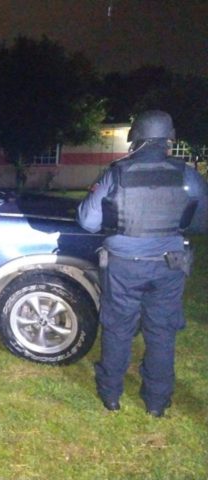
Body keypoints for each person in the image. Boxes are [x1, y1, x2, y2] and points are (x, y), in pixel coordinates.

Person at [77, 110, 208, 417]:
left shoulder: (116, 173)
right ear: (169, 140)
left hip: (123, 266)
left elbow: (88, 221)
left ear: (135, 139)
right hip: (169, 266)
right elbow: (201, 223)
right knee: (161, 333)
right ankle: (156, 403)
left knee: (118, 329)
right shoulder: (187, 175)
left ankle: (111, 396)